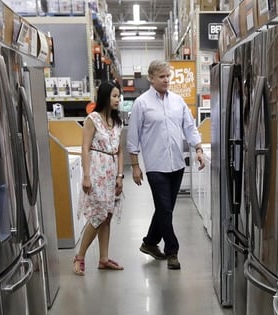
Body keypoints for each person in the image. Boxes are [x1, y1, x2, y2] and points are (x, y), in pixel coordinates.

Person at [127, 60, 206, 270]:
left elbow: (189, 127)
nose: (166, 80)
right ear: (151, 78)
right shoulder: (141, 104)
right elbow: (133, 137)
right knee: (164, 208)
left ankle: (150, 242)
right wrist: (135, 165)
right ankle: (172, 251)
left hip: (177, 164)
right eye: (162, 76)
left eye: (168, 76)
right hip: (155, 166)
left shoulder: (178, 101)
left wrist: (198, 149)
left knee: (166, 209)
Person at [72, 81, 125, 275]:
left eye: (119, 96)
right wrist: (86, 176)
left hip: (112, 173)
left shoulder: (118, 122)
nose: (118, 99)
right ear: (104, 96)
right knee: (97, 215)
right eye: (114, 96)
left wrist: (120, 175)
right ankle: (79, 257)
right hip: (96, 171)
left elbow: (120, 151)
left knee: (107, 216)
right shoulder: (92, 119)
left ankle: (103, 259)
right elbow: (85, 148)